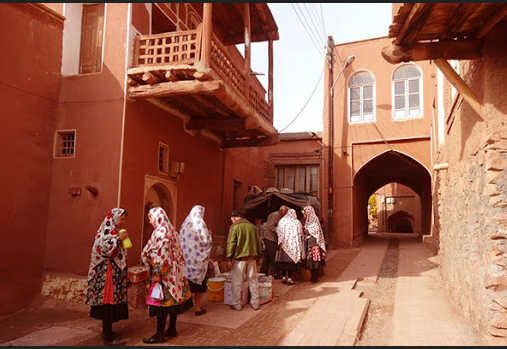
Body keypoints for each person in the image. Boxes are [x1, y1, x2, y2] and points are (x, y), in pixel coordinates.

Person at [142, 207, 193, 344]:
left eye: (150, 218)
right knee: (173, 301)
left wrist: (158, 272)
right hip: (176, 273)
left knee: (161, 304)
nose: (150, 221)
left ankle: (159, 334)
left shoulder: (161, 231)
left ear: (157, 217)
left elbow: (162, 254)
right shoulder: (171, 229)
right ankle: (172, 328)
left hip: (165, 274)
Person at [86, 208, 129, 344]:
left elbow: (124, 248)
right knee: (107, 300)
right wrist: (117, 239)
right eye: (122, 219)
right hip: (106, 273)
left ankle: (109, 330)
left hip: (114, 272)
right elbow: (103, 248)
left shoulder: (117, 231)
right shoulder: (106, 231)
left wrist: (123, 240)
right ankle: (106, 333)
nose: (123, 222)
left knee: (113, 300)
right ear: (114, 218)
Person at [179, 205, 212, 316]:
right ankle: (197, 308)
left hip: (186, 262)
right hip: (198, 262)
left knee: (186, 285)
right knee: (199, 287)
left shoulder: (185, 224)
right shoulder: (200, 223)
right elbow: (205, 240)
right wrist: (210, 235)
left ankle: (183, 307)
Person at [226, 210, 262, 311]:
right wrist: (259, 256)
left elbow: (231, 243)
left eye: (231, 219)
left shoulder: (235, 227)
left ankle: (237, 304)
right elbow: (258, 243)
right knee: (253, 280)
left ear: (234, 217)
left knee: (237, 281)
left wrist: (229, 257)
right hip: (252, 258)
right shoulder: (253, 227)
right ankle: (255, 303)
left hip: (239, 259)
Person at [275, 208, 305, 285]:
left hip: (284, 245)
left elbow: (279, 232)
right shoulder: (297, 222)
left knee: (284, 262)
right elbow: (301, 234)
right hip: (293, 246)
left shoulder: (282, 221)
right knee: (291, 263)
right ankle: (290, 278)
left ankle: (284, 277)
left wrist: (280, 242)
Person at [260, 206, 288, 277]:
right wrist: (280, 230)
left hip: (271, 238)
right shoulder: (275, 215)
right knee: (273, 256)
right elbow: (270, 226)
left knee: (267, 256)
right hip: (270, 238)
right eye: (285, 212)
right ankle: (276, 273)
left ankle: (263, 272)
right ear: (282, 211)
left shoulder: (278, 216)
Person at [302, 206, 327, 283]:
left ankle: (315, 278)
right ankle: (313, 277)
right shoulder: (308, 222)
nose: (304, 215)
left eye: (305, 213)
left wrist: (306, 231)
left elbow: (315, 232)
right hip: (309, 243)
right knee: (310, 261)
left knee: (315, 261)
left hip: (314, 244)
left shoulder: (314, 221)